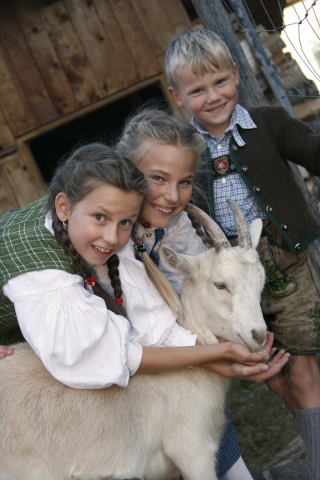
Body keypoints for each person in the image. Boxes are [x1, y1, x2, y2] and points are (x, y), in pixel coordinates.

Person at [0, 142, 286, 390]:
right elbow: (91, 358)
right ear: (62, 207)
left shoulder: (95, 225)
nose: (112, 237)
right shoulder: (41, 270)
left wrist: (213, 358)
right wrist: (215, 353)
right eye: (100, 217)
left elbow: (150, 321)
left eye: (125, 222)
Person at [164, 28, 320, 479]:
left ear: (236, 74)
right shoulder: (184, 152)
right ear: (178, 97)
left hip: (284, 264)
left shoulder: (267, 123)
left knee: (305, 367)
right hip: (228, 284)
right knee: (273, 372)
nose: (213, 97)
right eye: (197, 90)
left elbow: (312, 149)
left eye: (220, 82)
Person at [114, 107, 285, 480]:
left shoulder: (174, 222)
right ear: (128, 173)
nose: (172, 195)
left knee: (198, 396)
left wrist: (222, 338)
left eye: (185, 181)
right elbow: (149, 329)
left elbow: (194, 285)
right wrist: (218, 355)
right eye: (157, 178)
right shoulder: (113, 236)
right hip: (111, 372)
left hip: (149, 352)